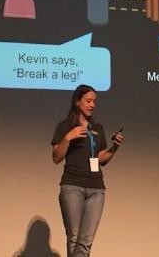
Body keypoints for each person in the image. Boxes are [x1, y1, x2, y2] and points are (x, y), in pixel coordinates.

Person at [51, 85, 124, 257]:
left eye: (94, 102)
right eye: (88, 101)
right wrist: (68, 137)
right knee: (74, 238)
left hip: (96, 189)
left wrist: (114, 147)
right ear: (77, 102)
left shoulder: (98, 128)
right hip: (72, 186)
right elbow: (56, 157)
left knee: (86, 242)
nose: (92, 105)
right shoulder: (65, 126)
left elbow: (100, 159)